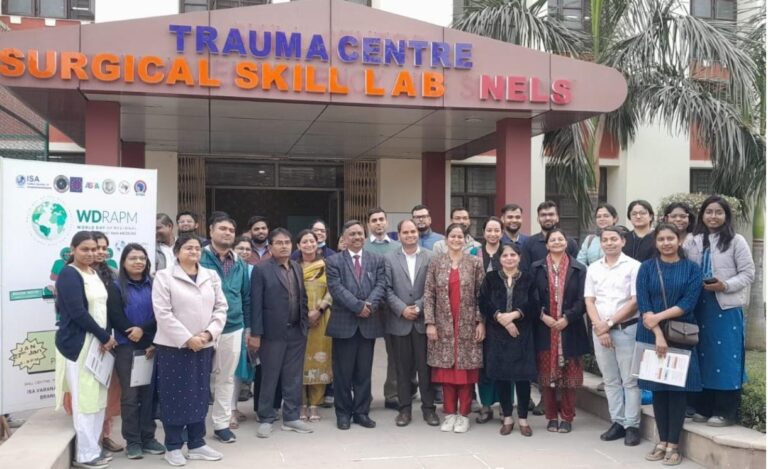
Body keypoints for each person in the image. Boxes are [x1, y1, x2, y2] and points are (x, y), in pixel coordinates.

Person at [152, 235, 228, 466]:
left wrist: (208, 334)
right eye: (188, 248)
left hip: (203, 345)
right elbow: (162, 312)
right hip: (174, 347)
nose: (194, 251)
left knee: (200, 394)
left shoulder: (211, 275)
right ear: (177, 251)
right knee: (174, 396)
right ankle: (173, 446)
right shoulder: (164, 276)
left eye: (197, 248)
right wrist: (187, 339)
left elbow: (221, 307)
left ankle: (197, 443)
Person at [684, 196, 754, 427]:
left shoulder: (736, 241)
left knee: (725, 357)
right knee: (702, 355)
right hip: (698, 305)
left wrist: (725, 285)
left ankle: (725, 411)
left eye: (718, 212)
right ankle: (703, 407)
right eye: (709, 212)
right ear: (702, 215)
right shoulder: (692, 241)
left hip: (725, 306)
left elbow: (748, 273)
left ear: (726, 216)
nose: (713, 216)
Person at [636, 224, 703, 465]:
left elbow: (688, 303)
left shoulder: (692, 269)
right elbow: (644, 304)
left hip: (679, 334)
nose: (666, 243)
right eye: (661, 239)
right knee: (658, 390)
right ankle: (661, 441)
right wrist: (657, 333)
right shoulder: (646, 268)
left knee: (676, 391)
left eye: (670, 238)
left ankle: (674, 445)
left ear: (679, 240)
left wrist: (658, 318)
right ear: (656, 242)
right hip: (651, 334)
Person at [54, 231, 118, 469]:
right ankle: (85, 455)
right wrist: (104, 337)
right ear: (73, 249)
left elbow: (103, 309)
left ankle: (94, 448)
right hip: (80, 344)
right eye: (85, 249)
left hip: (99, 344)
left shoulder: (93, 272)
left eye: (94, 249)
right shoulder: (69, 274)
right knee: (84, 400)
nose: (91, 253)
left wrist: (106, 337)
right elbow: (78, 312)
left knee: (98, 399)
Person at [248, 228, 313, 438]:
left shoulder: (296, 267)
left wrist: (304, 324)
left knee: (293, 377)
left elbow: (302, 298)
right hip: (271, 333)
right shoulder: (261, 270)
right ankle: (266, 417)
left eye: (287, 242)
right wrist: (256, 334)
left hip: (296, 331)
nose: (284, 246)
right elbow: (256, 304)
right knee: (270, 376)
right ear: (270, 246)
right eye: (279, 243)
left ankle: (292, 417)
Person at [325, 220, 387, 430]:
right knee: (343, 373)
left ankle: (361, 412)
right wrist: (358, 306)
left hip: (368, 324)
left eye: (360, 233)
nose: (357, 237)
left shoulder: (376, 260)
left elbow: (381, 285)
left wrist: (368, 305)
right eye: (352, 234)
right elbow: (336, 288)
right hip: (344, 324)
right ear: (344, 238)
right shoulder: (333, 261)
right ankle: (343, 413)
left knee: (364, 372)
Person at [424, 223, 485, 433]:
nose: (456, 240)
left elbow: (481, 295)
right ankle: (450, 413)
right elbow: (429, 294)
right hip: (443, 324)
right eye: (453, 236)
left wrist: (480, 321)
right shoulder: (436, 262)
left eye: (460, 237)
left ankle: (464, 415)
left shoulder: (475, 263)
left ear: (466, 240)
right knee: (446, 372)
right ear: (446, 239)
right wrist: (430, 322)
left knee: (465, 372)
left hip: (467, 324)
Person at [106, 243, 166, 460]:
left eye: (142, 258)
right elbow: (115, 316)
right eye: (133, 258)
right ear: (123, 262)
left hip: (151, 345)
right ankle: (133, 441)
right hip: (126, 346)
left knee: (149, 395)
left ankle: (148, 437)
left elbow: (162, 313)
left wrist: (148, 337)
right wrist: (134, 332)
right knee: (130, 396)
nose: (138, 262)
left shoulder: (155, 284)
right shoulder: (115, 286)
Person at [584, 227, 642, 446]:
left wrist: (607, 324)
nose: (609, 243)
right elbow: (590, 300)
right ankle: (617, 421)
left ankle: (632, 425)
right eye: (605, 240)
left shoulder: (634, 266)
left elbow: (635, 301)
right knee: (610, 380)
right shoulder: (594, 268)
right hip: (601, 332)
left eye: (613, 239)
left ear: (623, 241)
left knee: (630, 380)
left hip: (626, 329)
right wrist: (600, 328)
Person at [531, 228, 589, 434]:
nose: (556, 242)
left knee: (569, 379)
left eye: (560, 239)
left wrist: (567, 318)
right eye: (552, 240)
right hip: (544, 329)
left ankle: (567, 417)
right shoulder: (536, 268)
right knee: (546, 378)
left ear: (566, 242)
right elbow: (531, 296)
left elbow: (583, 299)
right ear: (547, 245)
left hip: (570, 329)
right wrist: (543, 316)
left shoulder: (579, 268)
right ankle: (551, 417)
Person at [200, 215, 251, 443]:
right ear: (211, 230)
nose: (228, 232)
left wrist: (248, 328)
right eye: (222, 228)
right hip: (202, 328)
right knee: (198, 377)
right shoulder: (199, 256)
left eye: (231, 229)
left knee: (226, 377)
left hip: (233, 326)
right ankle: (194, 423)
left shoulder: (239, 262)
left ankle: (221, 424)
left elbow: (246, 297)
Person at [478, 242, 538, 437]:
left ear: (519, 257)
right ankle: (507, 418)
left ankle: (523, 419)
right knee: (502, 377)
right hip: (497, 335)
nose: (509, 258)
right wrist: (500, 317)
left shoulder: (528, 278)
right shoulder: (490, 278)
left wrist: (514, 315)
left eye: (513, 255)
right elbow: (483, 302)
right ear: (500, 259)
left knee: (523, 378)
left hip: (523, 334)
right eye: (505, 255)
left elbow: (534, 304)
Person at [384, 219, 439, 427]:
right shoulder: (389, 258)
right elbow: (386, 289)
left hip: (423, 321)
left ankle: (429, 409)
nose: (410, 235)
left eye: (413, 231)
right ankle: (404, 410)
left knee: (425, 369)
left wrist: (417, 307)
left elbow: (433, 287)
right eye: (405, 232)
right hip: (399, 321)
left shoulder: (430, 257)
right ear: (399, 235)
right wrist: (402, 309)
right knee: (402, 369)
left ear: (418, 233)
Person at [363, 208, 403, 411]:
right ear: (368, 224)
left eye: (381, 219)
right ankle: (364, 395)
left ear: (387, 222)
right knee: (364, 354)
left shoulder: (397, 246)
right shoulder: (362, 245)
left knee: (394, 354)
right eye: (374, 220)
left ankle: (392, 394)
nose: (378, 223)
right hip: (367, 306)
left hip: (390, 307)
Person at [294, 229, 333, 423]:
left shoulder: (326, 265)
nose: (309, 245)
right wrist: (304, 315)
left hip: (322, 319)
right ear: (298, 245)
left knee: (320, 360)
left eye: (312, 241)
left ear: (318, 244)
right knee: (300, 361)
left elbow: (333, 289)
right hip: (297, 320)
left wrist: (319, 310)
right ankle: (301, 403)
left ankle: (315, 404)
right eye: (304, 241)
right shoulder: (293, 267)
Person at [92, 231, 122, 454]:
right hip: (86, 339)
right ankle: (90, 439)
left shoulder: (113, 274)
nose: (101, 252)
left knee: (108, 389)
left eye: (104, 248)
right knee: (88, 391)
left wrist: (110, 337)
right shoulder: (73, 273)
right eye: (96, 248)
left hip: (110, 339)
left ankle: (105, 435)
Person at [475, 217, 505, 424]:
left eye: (497, 230)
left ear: (501, 232)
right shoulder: (474, 254)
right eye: (489, 230)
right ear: (483, 232)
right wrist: (480, 320)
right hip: (482, 316)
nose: (493, 234)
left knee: (506, 362)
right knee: (484, 363)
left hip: (506, 317)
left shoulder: (509, 252)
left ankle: (505, 406)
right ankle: (485, 405)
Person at [521, 201, 579, 272]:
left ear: (557, 218)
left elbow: (575, 271)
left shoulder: (570, 243)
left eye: (551, 214)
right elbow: (525, 271)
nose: (547, 218)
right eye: (543, 215)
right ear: (538, 219)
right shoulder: (528, 243)